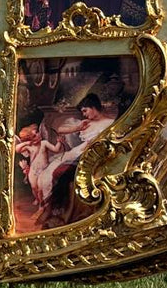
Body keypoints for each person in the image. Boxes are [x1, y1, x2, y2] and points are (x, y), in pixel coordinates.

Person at [27, 93, 113, 227]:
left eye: (85, 110)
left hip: (94, 156)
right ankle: (48, 209)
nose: (84, 114)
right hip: (79, 152)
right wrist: (78, 128)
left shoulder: (110, 123)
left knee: (61, 175)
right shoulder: (87, 123)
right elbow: (61, 130)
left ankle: (56, 212)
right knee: (50, 173)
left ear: (93, 107)